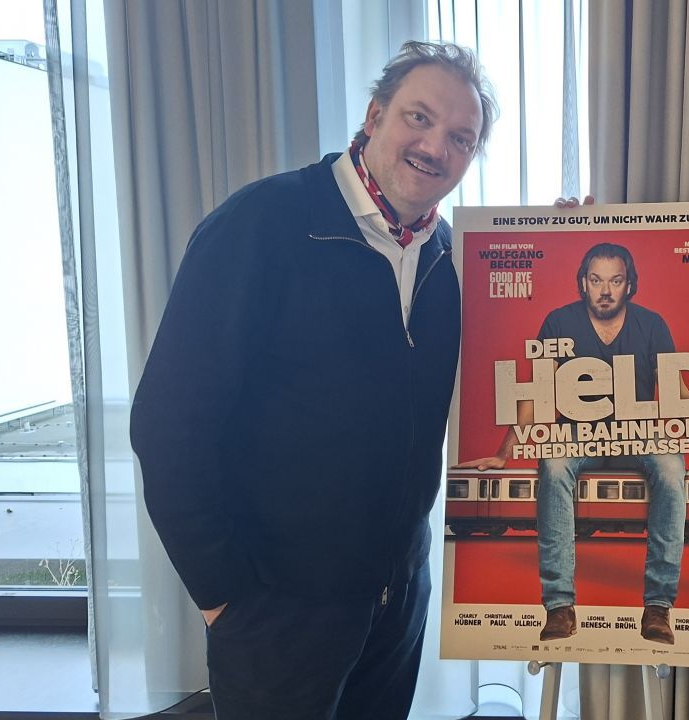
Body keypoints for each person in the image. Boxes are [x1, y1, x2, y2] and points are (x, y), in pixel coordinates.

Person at [130, 41, 496, 719]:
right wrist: (222, 594)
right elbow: (168, 424)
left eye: (460, 137)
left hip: (396, 601)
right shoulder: (262, 224)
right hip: (277, 610)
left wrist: (563, 238)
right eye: (418, 118)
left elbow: (533, 337)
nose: (435, 147)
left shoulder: (446, 256)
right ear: (375, 115)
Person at [457, 242, 689, 645]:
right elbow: (538, 391)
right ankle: (559, 607)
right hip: (579, 435)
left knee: (672, 466)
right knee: (553, 465)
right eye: (596, 280)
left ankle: (658, 607)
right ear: (583, 282)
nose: (605, 290)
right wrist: (503, 453)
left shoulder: (651, 324)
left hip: (638, 434)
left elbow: (679, 393)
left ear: (629, 284)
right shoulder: (559, 322)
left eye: (615, 281)